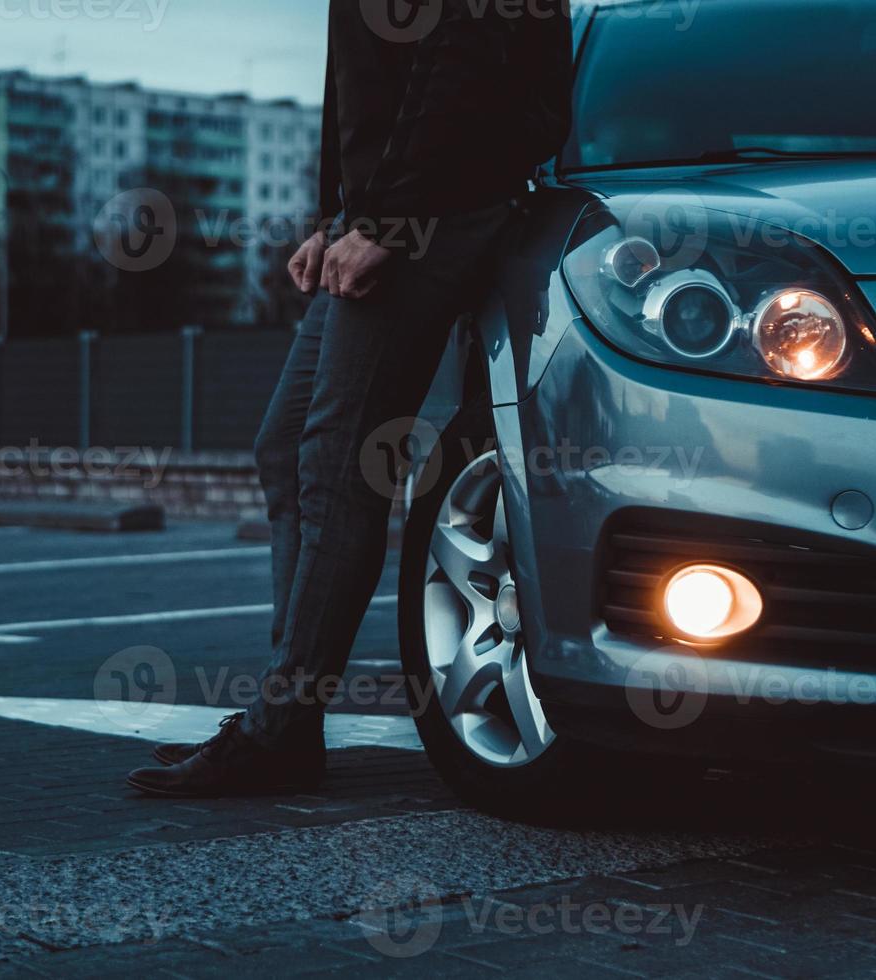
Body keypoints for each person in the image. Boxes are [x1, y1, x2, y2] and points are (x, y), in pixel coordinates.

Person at [127, 0, 573, 797]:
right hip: (392, 208)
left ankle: (281, 728)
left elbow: (459, 64)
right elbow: (369, 82)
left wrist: (388, 222)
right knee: (288, 443)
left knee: (341, 464)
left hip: (437, 210)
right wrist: (337, 216)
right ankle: (286, 715)